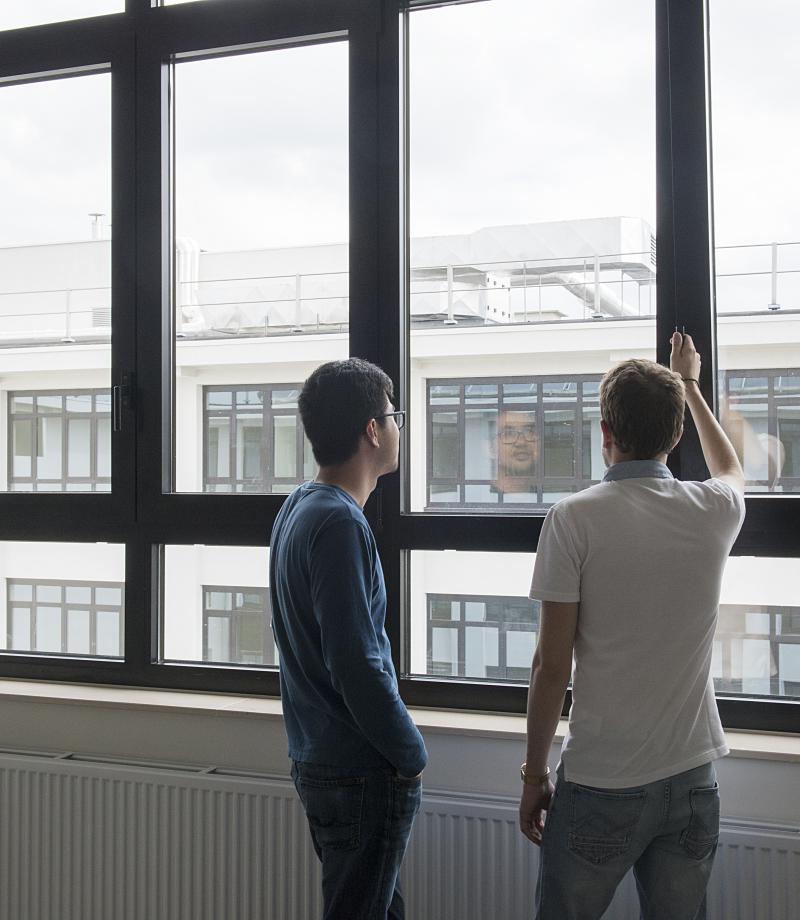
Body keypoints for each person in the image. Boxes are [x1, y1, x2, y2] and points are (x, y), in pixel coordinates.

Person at [519, 333, 746, 920]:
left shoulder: (573, 519)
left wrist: (535, 773)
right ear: (675, 437)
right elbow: (729, 466)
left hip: (602, 781)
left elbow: (551, 666)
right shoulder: (714, 511)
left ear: (604, 433)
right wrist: (690, 384)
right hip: (693, 776)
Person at [269, 357, 428, 920]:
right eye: (394, 416)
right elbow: (356, 661)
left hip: (321, 757)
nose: (398, 427)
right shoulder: (338, 523)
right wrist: (410, 752)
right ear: (371, 430)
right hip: (357, 768)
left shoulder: (299, 507)